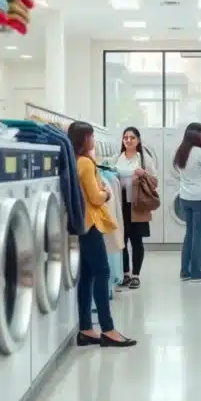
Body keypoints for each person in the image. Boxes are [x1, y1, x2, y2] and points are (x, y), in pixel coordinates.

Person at [67, 121, 136, 348]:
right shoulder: (86, 163)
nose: (94, 141)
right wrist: (106, 193)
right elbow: (96, 198)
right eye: (92, 136)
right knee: (102, 272)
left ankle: (86, 329)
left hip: (80, 223)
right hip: (91, 224)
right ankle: (108, 329)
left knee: (87, 276)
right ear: (85, 139)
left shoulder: (73, 160)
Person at [173, 122, 201, 282]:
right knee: (198, 236)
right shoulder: (200, 152)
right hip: (199, 198)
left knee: (189, 234)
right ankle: (198, 273)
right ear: (198, 134)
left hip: (184, 197)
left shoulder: (181, 151)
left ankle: (185, 272)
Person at [115, 126, 157, 289]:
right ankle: (125, 273)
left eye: (132, 138)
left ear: (138, 140)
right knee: (122, 240)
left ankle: (136, 275)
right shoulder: (117, 158)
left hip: (138, 204)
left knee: (137, 240)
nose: (128, 140)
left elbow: (154, 181)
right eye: (125, 137)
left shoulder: (144, 159)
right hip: (121, 205)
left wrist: (143, 173)